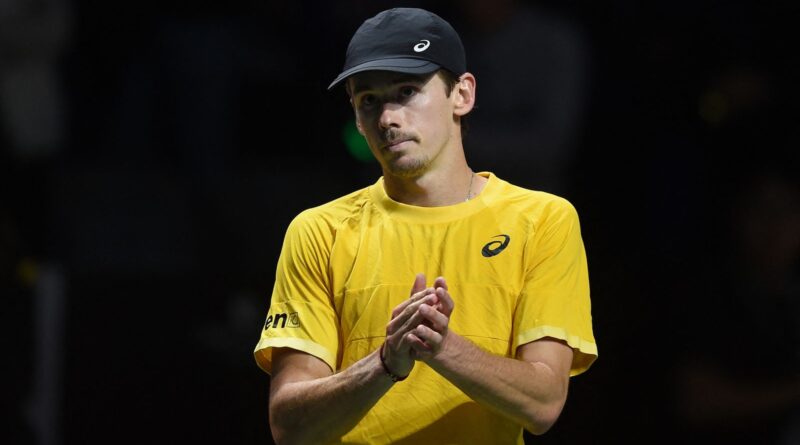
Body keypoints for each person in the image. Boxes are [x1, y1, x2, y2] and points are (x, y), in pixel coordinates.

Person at [253, 7, 597, 444]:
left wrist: (443, 347)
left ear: (463, 94)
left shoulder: (543, 220)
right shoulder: (318, 231)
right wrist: (385, 364)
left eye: (407, 91)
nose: (388, 118)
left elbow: (543, 403)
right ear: (356, 116)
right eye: (369, 100)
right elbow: (289, 426)